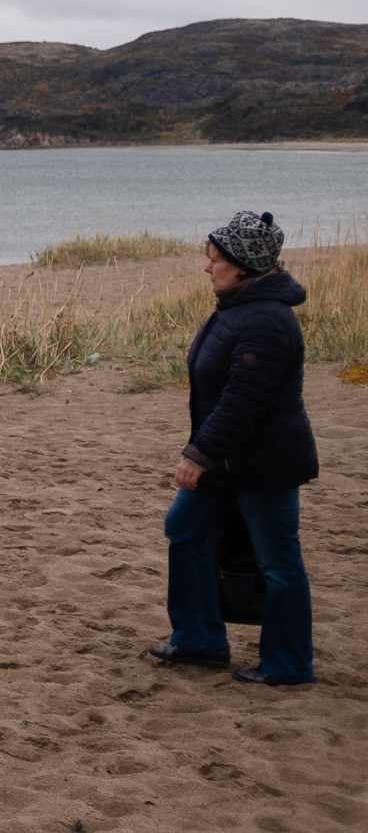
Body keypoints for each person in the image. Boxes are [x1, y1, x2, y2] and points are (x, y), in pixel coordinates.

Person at [150, 211, 318, 685]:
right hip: (228, 459)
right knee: (183, 527)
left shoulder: (266, 319)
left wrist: (197, 455)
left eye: (216, 259)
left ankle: (288, 665)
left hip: (265, 463)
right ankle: (200, 638)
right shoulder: (237, 305)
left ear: (242, 265)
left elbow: (244, 402)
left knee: (279, 562)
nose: (208, 266)